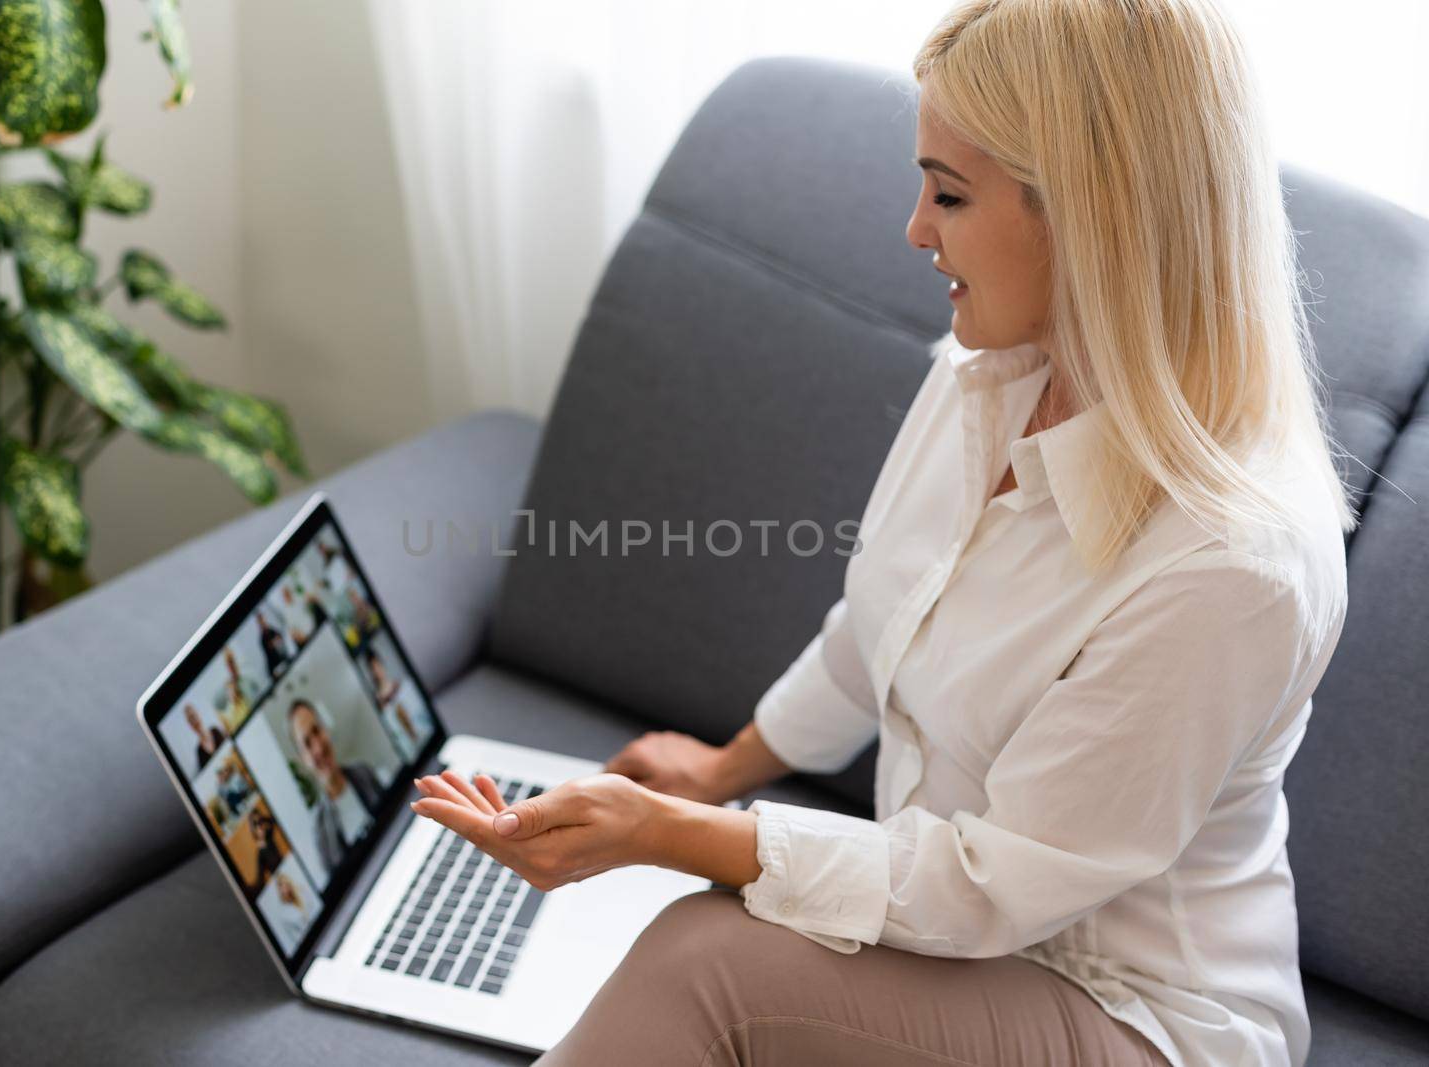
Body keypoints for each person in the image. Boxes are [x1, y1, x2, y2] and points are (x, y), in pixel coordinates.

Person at [404, 3, 1353, 1065]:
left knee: (705, 958)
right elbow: (879, 630)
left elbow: (991, 883)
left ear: (1091, 215)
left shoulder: (1232, 563)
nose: (914, 229)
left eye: (949, 193)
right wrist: (719, 771)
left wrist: (666, 836)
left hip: (1130, 1011)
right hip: (967, 952)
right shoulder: (984, 374)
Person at [287, 698, 380, 874]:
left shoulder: (364, 772)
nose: (318, 748)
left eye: (316, 730)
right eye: (307, 743)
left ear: (325, 729)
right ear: (303, 760)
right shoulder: (320, 831)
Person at [183, 703, 225, 772]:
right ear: (190, 725)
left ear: (198, 714)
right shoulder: (199, 752)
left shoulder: (215, 731)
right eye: (190, 720)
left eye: (194, 716)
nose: (194, 721)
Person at [256, 611, 291, 678]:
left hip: (283, 659)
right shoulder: (262, 639)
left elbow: (280, 637)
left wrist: (277, 640)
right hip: (275, 666)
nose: (263, 622)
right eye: (261, 621)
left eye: (263, 620)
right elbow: (269, 648)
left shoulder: (272, 630)